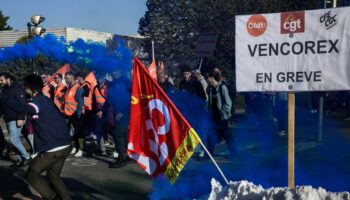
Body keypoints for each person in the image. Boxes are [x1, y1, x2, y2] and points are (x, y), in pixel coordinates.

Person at [1, 74, 72, 200]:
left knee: (32, 175)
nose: (23, 89)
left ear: (30, 88)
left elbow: (25, 109)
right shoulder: (44, 100)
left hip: (54, 147)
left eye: (25, 86)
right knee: (53, 176)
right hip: (63, 145)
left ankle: (51, 197)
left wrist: (5, 99)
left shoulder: (39, 100)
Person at [0, 72, 30, 167]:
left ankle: (26, 157)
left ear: (8, 79)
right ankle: (20, 159)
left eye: (2, 80)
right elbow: (2, 105)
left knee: (14, 140)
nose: (0, 82)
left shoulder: (17, 89)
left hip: (15, 118)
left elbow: (22, 104)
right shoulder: (4, 90)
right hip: (8, 118)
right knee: (14, 141)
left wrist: (21, 117)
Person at [206, 72, 235, 157]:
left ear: (213, 78)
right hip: (214, 117)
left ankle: (234, 153)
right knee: (211, 134)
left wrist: (222, 112)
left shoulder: (222, 88)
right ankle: (209, 154)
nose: (208, 80)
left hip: (222, 117)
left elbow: (228, 103)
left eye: (209, 78)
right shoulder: (211, 89)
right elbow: (210, 102)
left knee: (227, 136)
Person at [107, 70, 131, 168]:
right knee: (124, 134)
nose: (114, 73)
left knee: (117, 134)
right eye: (113, 71)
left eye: (116, 71)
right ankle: (126, 155)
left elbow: (130, 99)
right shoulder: (113, 84)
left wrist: (123, 111)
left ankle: (122, 158)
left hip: (124, 113)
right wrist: (103, 110)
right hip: (115, 113)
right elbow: (109, 99)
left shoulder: (126, 82)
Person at [64, 72, 84, 157]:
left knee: (78, 133)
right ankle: (75, 147)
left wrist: (78, 114)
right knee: (72, 133)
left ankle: (81, 149)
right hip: (69, 114)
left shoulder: (78, 88)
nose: (66, 80)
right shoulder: (69, 88)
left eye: (67, 78)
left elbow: (80, 102)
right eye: (65, 78)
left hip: (76, 115)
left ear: (72, 78)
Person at [92, 74, 109, 155]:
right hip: (99, 112)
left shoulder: (108, 86)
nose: (98, 80)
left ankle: (119, 150)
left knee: (112, 132)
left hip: (109, 112)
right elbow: (94, 101)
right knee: (99, 131)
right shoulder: (95, 88)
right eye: (97, 78)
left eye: (99, 78)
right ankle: (102, 150)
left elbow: (110, 100)